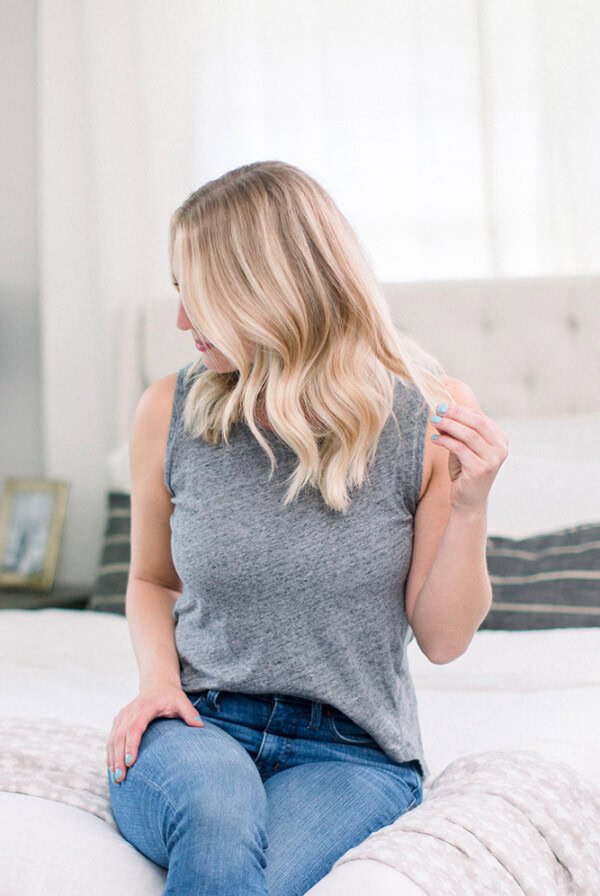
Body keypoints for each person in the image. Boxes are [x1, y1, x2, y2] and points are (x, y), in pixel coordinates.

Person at [105, 160, 508, 896]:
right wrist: (158, 683)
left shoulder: (424, 415)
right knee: (218, 816)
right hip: (198, 726)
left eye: (196, 294)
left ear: (264, 290)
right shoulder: (168, 410)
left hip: (352, 757)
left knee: (255, 877)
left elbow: (444, 639)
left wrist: (472, 506)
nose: (181, 321)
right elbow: (150, 578)